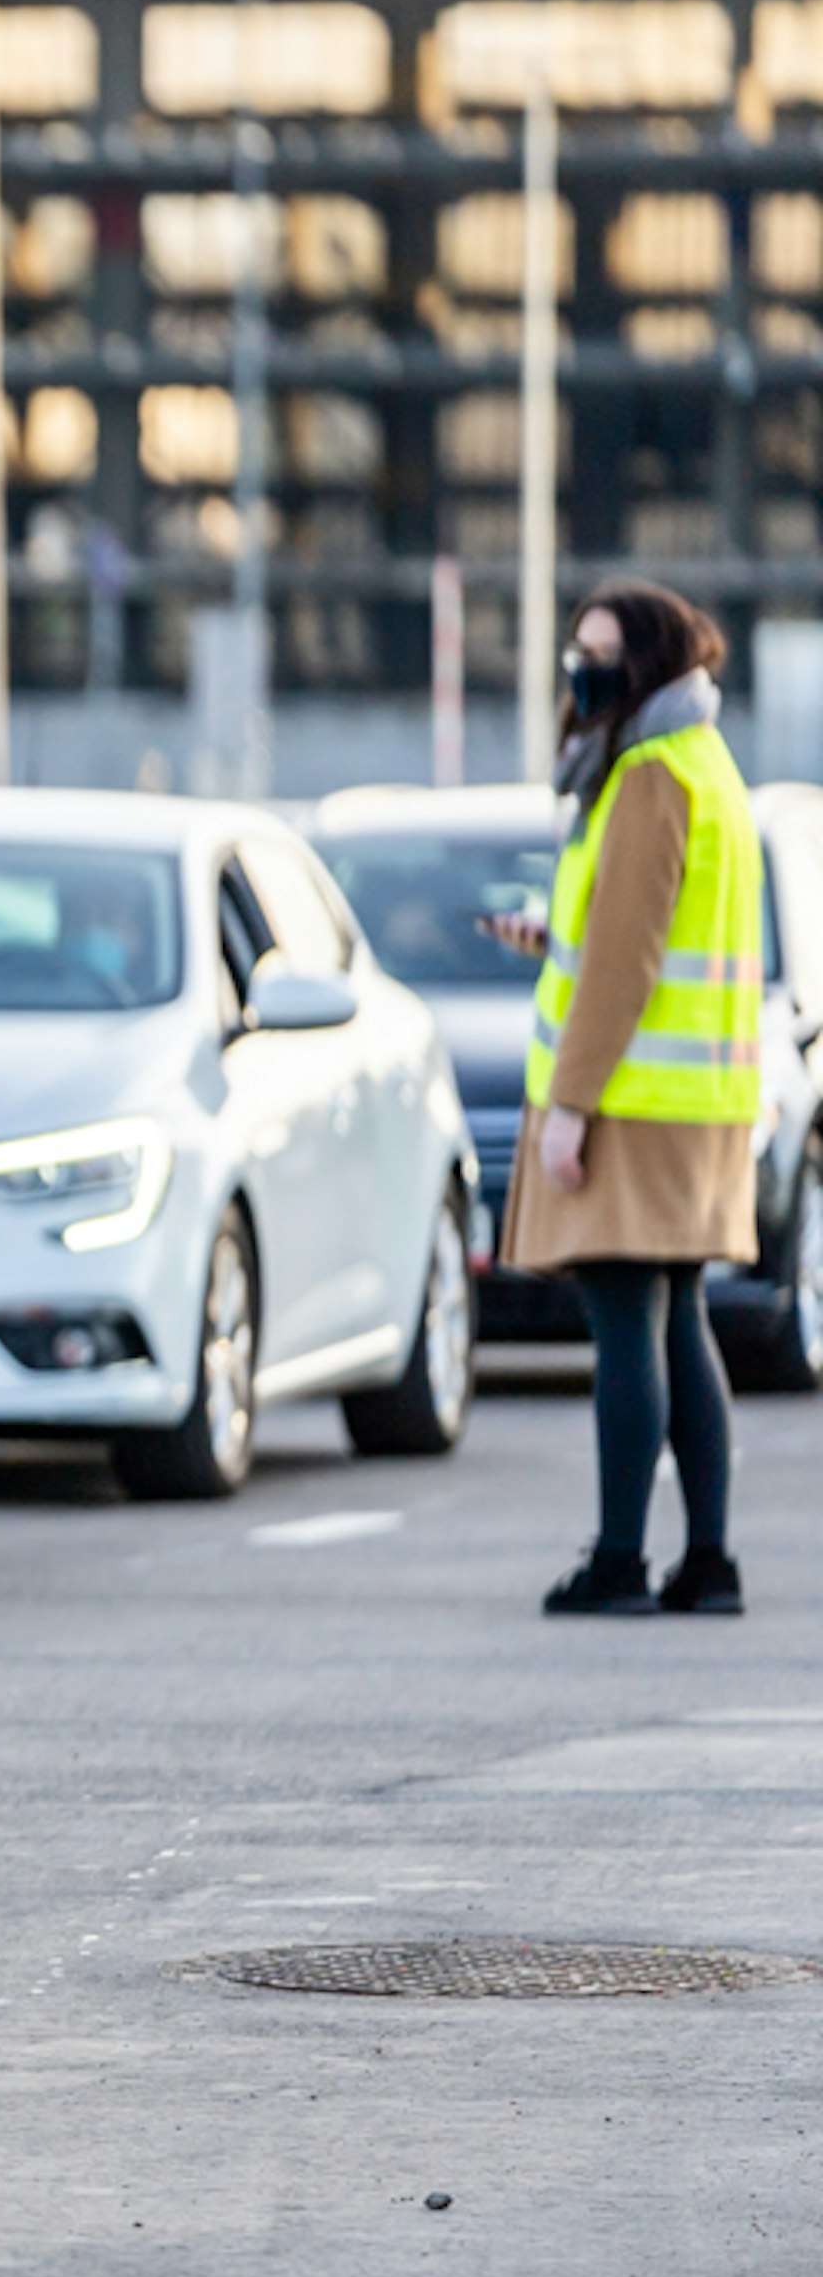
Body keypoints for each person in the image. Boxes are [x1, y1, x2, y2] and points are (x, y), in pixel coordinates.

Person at [498, 581, 759, 1618]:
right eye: (576, 651)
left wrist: (571, 1107)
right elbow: (623, 936)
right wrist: (545, 936)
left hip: (637, 1102)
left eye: (600, 653)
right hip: (695, 1098)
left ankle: (619, 1561)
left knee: (625, 1323)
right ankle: (708, 1561)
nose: (581, 671)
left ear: (647, 663)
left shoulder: (650, 776)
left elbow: (626, 962)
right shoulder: (706, 765)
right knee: (677, 1316)